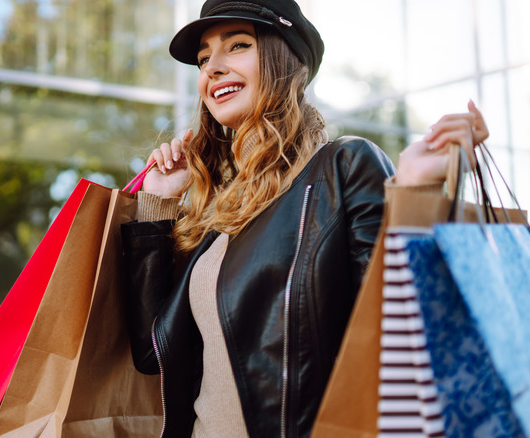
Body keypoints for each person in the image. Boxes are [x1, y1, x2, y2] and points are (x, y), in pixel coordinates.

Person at [120, 1, 489, 436]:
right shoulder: (221, 209)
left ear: (283, 60)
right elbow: (154, 354)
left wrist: (414, 189)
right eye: (204, 59)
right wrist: (158, 203)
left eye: (237, 45)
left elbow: (404, 328)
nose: (212, 68)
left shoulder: (344, 168)